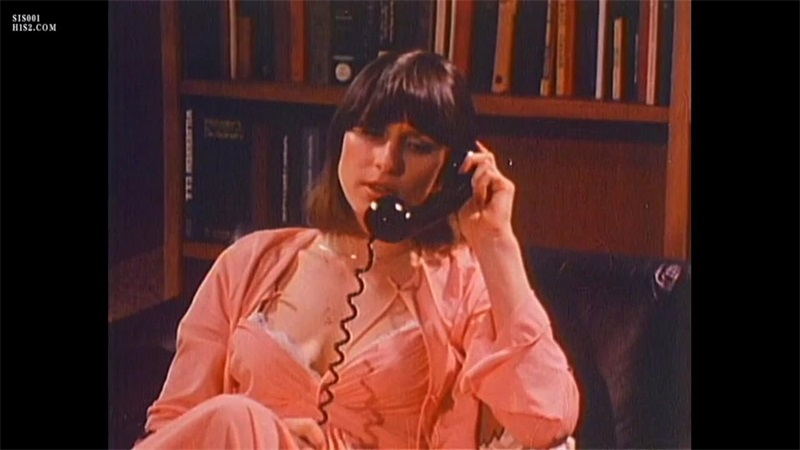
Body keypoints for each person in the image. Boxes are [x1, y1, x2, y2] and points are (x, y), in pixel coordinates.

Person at [134, 50, 579, 450]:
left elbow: (547, 421)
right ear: (340, 138)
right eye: (371, 132)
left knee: (237, 416)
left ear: (451, 171)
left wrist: (496, 244)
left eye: (418, 146)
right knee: (235, 419)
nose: (388, 161)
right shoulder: (250, 262)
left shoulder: (463, 286)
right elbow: (175, 427)